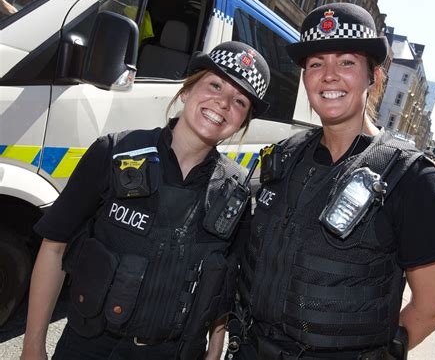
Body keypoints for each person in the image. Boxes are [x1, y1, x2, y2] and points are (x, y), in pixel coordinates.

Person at [226, 2, 435, 360]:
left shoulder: (411, 178)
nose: (329, 75)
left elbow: (432, 307)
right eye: (316, 64)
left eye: (346, 62)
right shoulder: (283, 157)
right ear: (305, 78)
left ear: (373, 77)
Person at [20, 40, 271, 360]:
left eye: (239, 101)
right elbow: (54, 247)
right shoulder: (113, 152)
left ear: (243, 122)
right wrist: (32, 346)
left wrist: (213, 352)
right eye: (214, 85)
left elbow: (223, 286)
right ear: (186, 91)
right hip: (91, 349)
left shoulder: (234, 190)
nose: (222, 103)